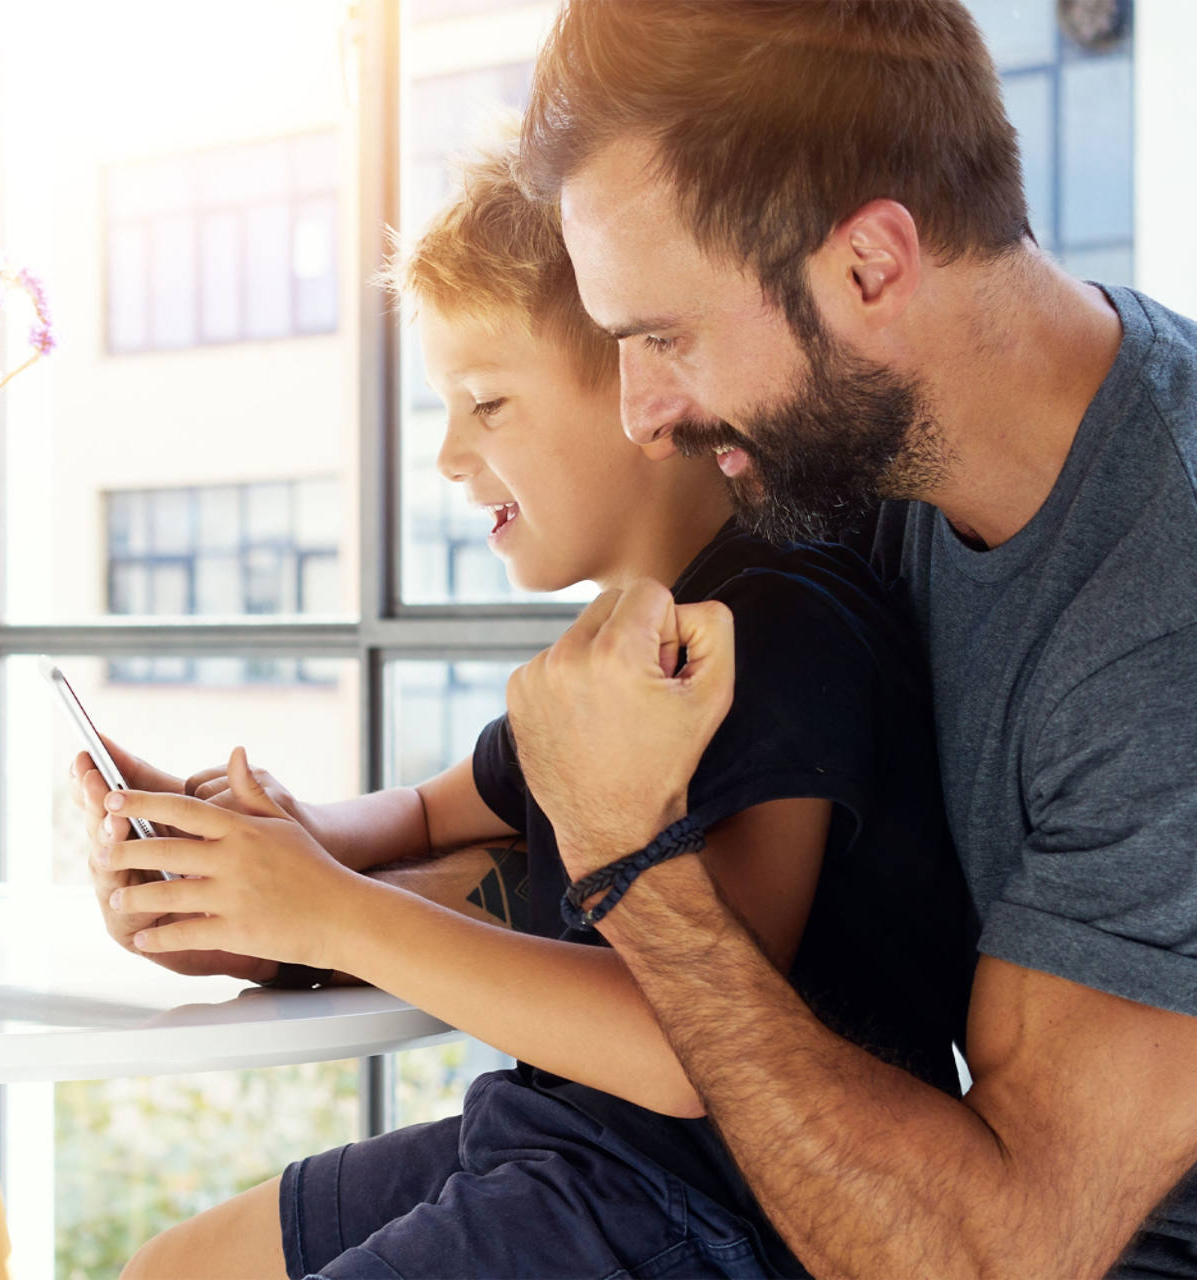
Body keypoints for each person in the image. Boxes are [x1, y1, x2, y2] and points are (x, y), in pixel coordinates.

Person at [75, 119, 975, 1279]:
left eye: (487, 403)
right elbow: (427, 812)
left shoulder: (777, 630)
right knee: (171, 1267)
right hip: (567, 1142)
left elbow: (687, 1043)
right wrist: (252, 840)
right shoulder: (613, 646)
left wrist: (326, 911)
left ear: (641, 384)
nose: (449, 455)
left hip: (706, 1212)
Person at [503, 1, 1197, 1277]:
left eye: (662, 334)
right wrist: (288, 898)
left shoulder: (1160, 625)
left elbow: (992, 1256)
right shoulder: (877, 470)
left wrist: (623, 858)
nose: (641, 413)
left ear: (871, 265)